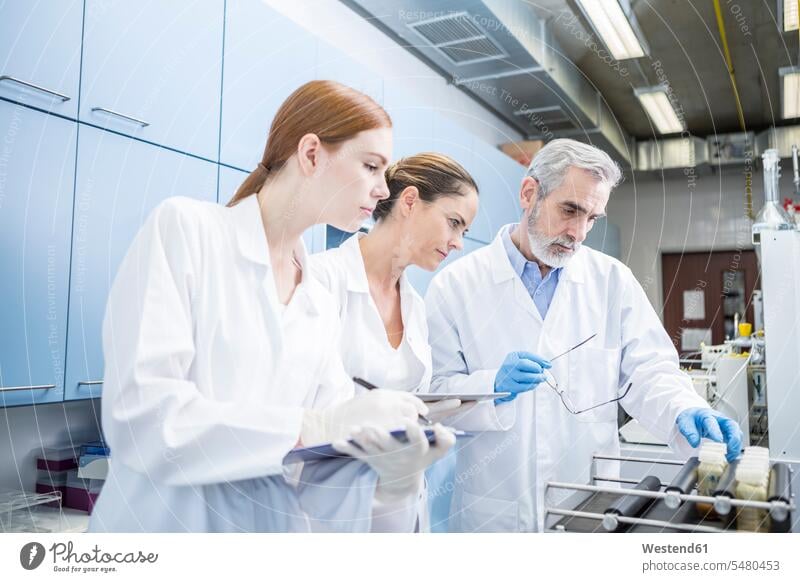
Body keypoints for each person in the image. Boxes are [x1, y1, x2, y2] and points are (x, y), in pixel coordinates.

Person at [89, 80, 454, 533]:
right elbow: (144, 423)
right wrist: (313, 427)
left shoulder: (318, 296)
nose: (384, 190)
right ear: (312, 154)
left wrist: (391, 477)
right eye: (371, 166)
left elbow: (322, 484)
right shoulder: (187, 231)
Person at [424, 138, 743, 532]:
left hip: (591, 506)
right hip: (494, 514)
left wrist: (684, 408)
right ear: (529, 194)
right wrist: (491, 385)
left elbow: (649, 373)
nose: (578, 232)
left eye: (592, 218)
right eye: (570, 210)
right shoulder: (455, 285)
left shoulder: (612, 282)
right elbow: (435, 395)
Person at [310, 153, 479, 530]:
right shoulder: (322, 280)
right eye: (454, 223)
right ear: (409, 202)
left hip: (400, 505)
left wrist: (429, 411)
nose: (458, 243)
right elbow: (305, 409)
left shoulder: (415, 307)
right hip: (329, 506)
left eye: (464, 231)